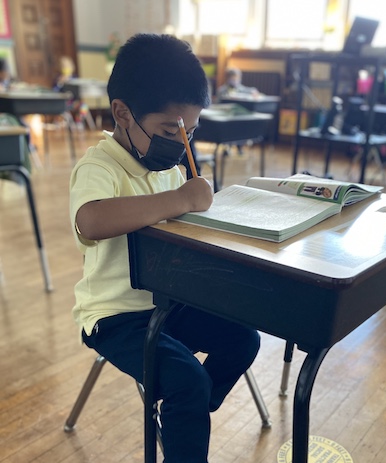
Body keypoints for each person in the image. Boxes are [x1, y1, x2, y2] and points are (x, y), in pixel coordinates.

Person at [69, 34, 260, 463]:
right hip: (117, 318)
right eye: (169, 130)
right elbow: (91, 220)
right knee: (187, 381)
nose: (182, 145)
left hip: (169, 305)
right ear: (122, 112)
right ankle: (186, 409)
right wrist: (180, 201)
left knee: (244, 341)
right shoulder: (100, 166)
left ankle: (184, 413)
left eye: (190, 132)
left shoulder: (172, 169)